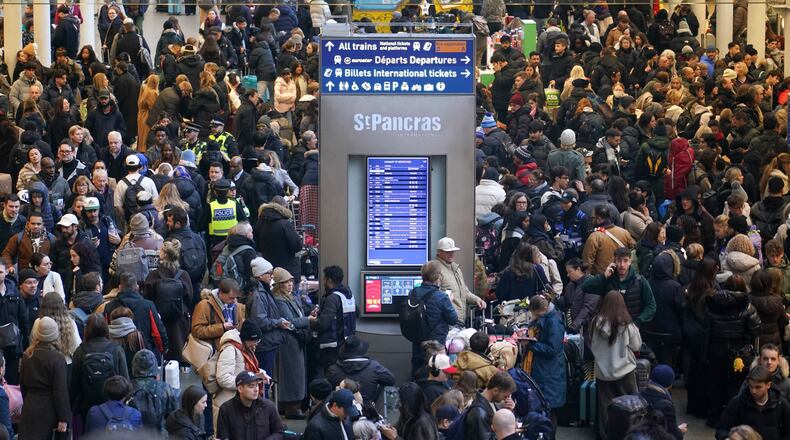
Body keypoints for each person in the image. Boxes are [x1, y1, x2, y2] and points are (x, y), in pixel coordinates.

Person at [590, 291, 643, 440]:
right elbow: (636, 345)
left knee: (605, 407)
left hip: (602, 372)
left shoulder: (595, 323)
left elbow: (592, 344)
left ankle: (607, 436)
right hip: (625, 371)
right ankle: (628, 434)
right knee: (630, 406)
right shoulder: (627, 323)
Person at [71, 313, 129, 424]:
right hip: (113, 404)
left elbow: (74, 382)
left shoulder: (80, 351)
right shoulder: (116, 350)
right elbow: (125, 378)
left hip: (87, 405)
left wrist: (74, 406)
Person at [18, 316, 70, 439]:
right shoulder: (57, 359)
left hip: (30, 406)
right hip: (49, 409)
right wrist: (63, 418)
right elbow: (60, 391)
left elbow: (22, 385)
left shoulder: (27, 355)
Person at [143, 239, 192, 364]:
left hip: (159, 321)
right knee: (179, 352)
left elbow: (147, 298)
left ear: (164, 255)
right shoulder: (184, 275)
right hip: (179, 321)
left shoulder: (153, 276)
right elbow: (189, 298)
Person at [583, 247, 656, 327]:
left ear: (630, 261)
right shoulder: (607, 280)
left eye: (625, 260)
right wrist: (603, 276)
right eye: (619, 260)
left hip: (632, 328)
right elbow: (585, 287)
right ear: (614, 261)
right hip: (610, 329)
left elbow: (651, 305)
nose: (622, 265)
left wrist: (638, 322)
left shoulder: (640, 281)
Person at [406, 260, 457, 376]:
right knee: (435, 374)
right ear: (437, 277)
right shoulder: (442, 297)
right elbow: (453, 319)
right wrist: (450, 302)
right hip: (436, 344)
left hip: (417, 342)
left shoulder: (413, 292)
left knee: (418, 373)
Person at [103, 272, 169, 360]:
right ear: (137, 287)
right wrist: (163, 349)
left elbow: (105, 332)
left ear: (120, 287)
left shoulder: (109, 307)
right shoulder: (147, 306)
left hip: (117, 355)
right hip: (144, 353)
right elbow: (157, 332)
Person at [213, 321, 264, 429]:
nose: (256, 344)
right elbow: (223, 378)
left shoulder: (245, 348)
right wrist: (246, 384)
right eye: (255, 341)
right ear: (247, 338)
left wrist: (260, 375)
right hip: (227, 402)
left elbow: (244, 369)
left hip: (238, 402)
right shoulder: (230, 349)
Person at [716, 365, 790, 440]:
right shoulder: (737, 402)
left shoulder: (781, 404)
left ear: (768, 385)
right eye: (751, 386)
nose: (753, 391)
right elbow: (721, 430)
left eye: (758, 387)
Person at [523, 295, 566, 422]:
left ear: (544, 309)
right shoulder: (546, 318)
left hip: (549, 372)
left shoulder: (554, 322)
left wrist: (531, 344)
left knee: (548, 411)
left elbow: (553, 349)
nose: (534, 316)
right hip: (544, 370)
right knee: (544, 409)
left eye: (536, 313)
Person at [310, 265, 357, 371]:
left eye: (324, 279)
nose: (323, 282)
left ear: (329, 280)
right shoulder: (348, 295)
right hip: (347, 343)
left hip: (332, 347)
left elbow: (323, 324)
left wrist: (310, 321)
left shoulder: (332, 298)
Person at [326, 334, 396, 404]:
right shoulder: (374, 367)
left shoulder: (333, 370)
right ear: (360, 351)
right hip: (366, 408)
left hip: (340, 409)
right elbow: (391, 380)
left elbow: (327, 391)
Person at [431, 237, 486, 324]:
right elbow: (433, 297)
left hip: (457, 321)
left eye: (452, 251)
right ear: (439, 252)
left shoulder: (456, 269)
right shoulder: (435, 269)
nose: (451, 254)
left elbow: (464, 291)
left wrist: (476, 299)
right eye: (447, 252)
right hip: (446, 322)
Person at [642, 251, 684, 365]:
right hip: (670, 332)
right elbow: (681, 309)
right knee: (667, 361)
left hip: (650, 329)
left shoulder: (647, 283)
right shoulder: (675, 287)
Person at [216, 371, 283, 440]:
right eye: (251, 386)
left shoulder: (268, 406)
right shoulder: (226, 409)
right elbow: (223, 437)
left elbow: (279, 432)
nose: (256, 389)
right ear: (240, 389)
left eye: (257, 385)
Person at [129, 349, 178, 433]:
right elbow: (174, 415)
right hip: (159, 434)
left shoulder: (127, 387)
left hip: (134, 435)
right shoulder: (165, 388)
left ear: (134, 367)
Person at [192, 278, 246, 351]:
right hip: (214, 353)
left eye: (236, 298)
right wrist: (222, 327)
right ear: (221, 293)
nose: (234, 301)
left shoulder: (239, 307)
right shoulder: (204, 305)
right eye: (231, 298)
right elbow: (197, 331)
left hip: (235, 350)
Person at [463, 372, 517, 440]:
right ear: (495, 391)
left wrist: (508, 413)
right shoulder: (479, 413)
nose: (506, 399)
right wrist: (509, 434)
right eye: (505, 396)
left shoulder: (490, 403)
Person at [0, 261, 29, 385]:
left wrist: (22, 341)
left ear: (6, 272)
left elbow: (23, 319)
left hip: (12, 346)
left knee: (11, 383)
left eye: (0, 272)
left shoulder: (14, 292)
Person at [640, 364, 687, 440]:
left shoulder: (640, 395)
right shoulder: (666, 406)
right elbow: (675, 436)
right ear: (670, 385)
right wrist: (680, 431)